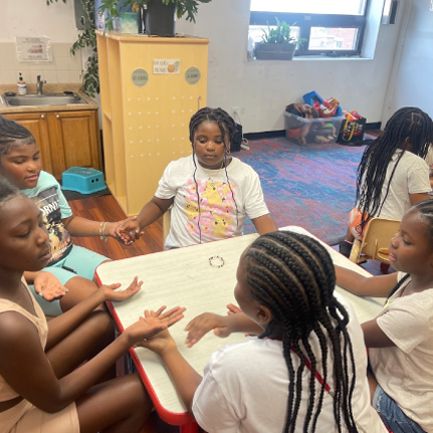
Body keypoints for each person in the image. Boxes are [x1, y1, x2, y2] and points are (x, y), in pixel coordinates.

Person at [141, 231, 387, 432]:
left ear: (263, 314)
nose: (236, 285)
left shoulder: (234, 365)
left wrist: (168, 349)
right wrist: (236, 322)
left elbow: (201, 410)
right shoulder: (338, 310)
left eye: (238, 281)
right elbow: (294, 319)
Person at [0, 177, 185, 433]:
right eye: (24, 233)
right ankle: (103, 406)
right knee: (141, 390)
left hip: (24, 388)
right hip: (15, 419)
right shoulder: (8, 323)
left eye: (41, 224)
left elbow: (38, 338)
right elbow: (55, 399)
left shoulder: (13, 275)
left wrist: (98, 296)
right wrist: (127, 338)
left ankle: (97, 405)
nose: (44, 238)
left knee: (101, 321)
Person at [0, 115, 134, 315]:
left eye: (35, 157)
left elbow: (67, 221)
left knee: (122, 278)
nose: (33, 167)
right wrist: (35, 276)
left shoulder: (46, 181)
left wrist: (108, 227)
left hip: (68, 253)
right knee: (96, 301)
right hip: (32, 273)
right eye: (20, 161)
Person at [335, 200, 433, 433]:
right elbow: (362, 283)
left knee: (330, 362)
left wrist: (262, 325)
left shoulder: (419, 311)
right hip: (403, 379)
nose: (394, 241)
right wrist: (314, 261)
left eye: (406, 241)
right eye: (399, 232)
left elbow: (341, 336)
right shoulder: (415, 275)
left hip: (408, 416)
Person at [119, 107, 278, 248]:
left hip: (228, 251)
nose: (209, 147)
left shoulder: (245, 175)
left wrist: (277, 246)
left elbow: (261, 217)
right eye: (202, 141)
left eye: (218, 141)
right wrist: (138, 222)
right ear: (192, 141)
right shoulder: (177, 169)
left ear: (229, 144)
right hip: (182, 251)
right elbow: (158, 204)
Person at [339, 107, 433, 257]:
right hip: (388, 235)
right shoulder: (416, 164)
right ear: (410, 140)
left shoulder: (375, 150)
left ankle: (348, 243)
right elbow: (422, 208)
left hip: (358, 224)